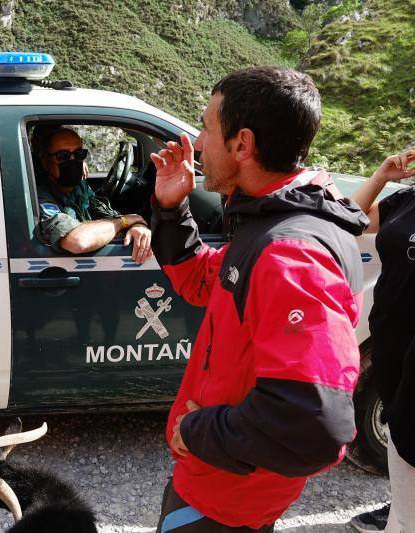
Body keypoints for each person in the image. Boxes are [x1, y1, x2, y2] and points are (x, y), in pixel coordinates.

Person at [150, 67, 369, 531]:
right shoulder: (270, 219)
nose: (198, 142)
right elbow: (201, 281)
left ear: (242, 145)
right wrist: (171, 210)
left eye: (207, 127)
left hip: (224, 503)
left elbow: (314, 423)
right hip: (217, 485)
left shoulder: (290, 255)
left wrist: (198, 431)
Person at [348, 148, 415, 533]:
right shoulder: (406, 201)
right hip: (389, 342)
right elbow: (346, 221)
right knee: (397, 428)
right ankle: (399, 505)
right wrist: (381, 177)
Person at [35, 127, 152, 264]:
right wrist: (123, 222)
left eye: (79, 154)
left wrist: (137, 225)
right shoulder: (41, 196)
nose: (73, 161)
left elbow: (104, 213)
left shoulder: (79, 186)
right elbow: (78, 242)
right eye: (63, 156)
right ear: (45, 161)